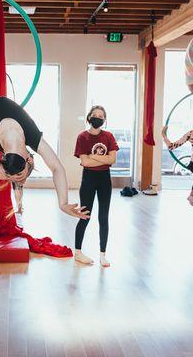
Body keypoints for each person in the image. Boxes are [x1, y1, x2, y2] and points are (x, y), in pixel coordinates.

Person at [73, 106, 118, 267]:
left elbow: (112, 160)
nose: (97, 118)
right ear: (89, 117)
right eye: (95, 115)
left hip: (105, 179)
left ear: (104, 120)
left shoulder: (109, 136)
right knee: (85, 216)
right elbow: (85, 162)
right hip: (88, 180)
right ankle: (78, 252)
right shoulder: (82, 137)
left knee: (103, 218)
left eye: (101, 116)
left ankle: (102, 255)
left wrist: (93, 156)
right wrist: (103, 158)